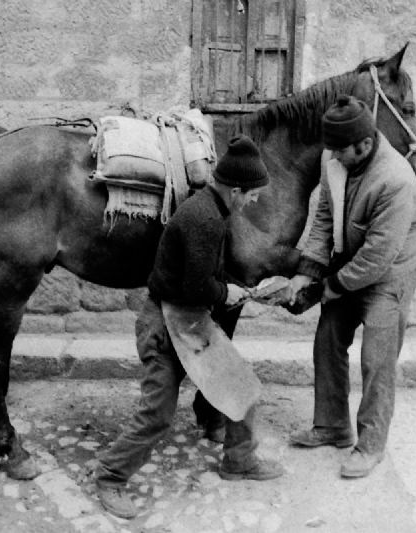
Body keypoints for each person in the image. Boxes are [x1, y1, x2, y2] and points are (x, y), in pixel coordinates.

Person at [94, 135, 284, 519]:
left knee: (240, 385)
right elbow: (200, 286)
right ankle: (110, 476)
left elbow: (202, 278)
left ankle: (239, 461)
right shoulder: (205, 219)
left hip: (190, 319)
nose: (254, 201)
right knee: (158, 415)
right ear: (234, 190)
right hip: (165, 324)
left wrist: (233, 289)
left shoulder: (214, 211)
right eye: (252, 195)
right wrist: (226, 293)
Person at [286, 95, 416, 478]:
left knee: (377, 361)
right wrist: (307, 273)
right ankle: (332, 426)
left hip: (389, 274)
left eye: (341, 152)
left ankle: (371, 445)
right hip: (350, 262)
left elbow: (376, 260)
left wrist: (327, 288)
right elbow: (324, 219)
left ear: (364, 144)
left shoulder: (397, 181)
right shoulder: (334, 158)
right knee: (327, 340)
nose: (334, 158)